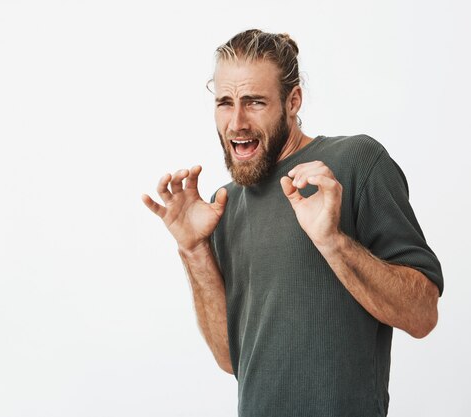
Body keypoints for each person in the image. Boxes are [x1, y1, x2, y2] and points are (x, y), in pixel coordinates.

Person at [141, 29, 444, 417]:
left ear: (293, 101)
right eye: (225, 102)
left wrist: (332, 242)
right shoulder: (224, 203)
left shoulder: (355, 162)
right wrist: (193, 248)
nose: (236, 122)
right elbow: (232, 360)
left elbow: (423, 316)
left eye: (254, 102)